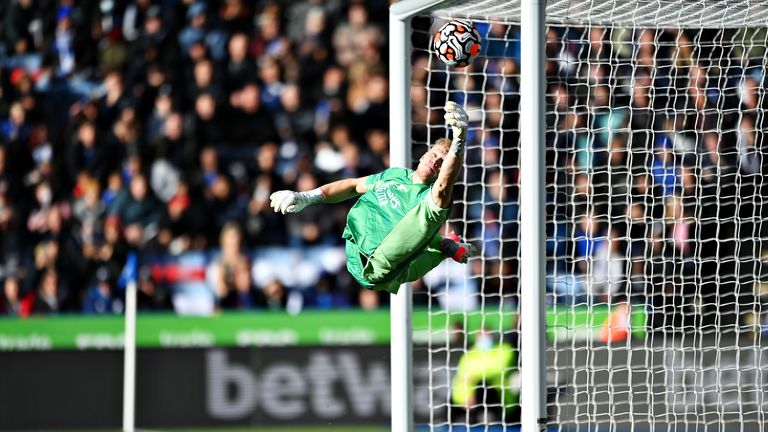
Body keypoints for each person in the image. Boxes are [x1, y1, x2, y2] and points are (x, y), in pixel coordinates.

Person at [270, 101, 474, 293]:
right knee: (418, 241)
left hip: (376, 271)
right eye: (434, 154)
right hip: (351, 247)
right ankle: (443, 243)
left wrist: (459, 140)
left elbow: (444, 183)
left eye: (443, 161)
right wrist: (305, 196)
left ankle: (443, 247)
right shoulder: (395, 174)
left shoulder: (434, 199)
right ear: (422, 155)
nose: (436, 161)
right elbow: (353, 185)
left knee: (411, 257)